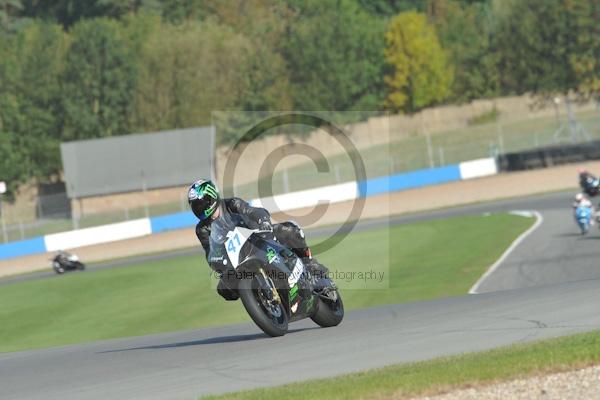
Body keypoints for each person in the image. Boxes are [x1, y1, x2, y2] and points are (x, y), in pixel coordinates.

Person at [188, 179, 328, 301]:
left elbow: (253, 211)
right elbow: (210, 253)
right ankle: (259, 298)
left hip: (259, 238)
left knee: (289, 230)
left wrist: (263, 222)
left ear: (212, 197)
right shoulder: (202, 229)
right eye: (196, 206)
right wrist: (217, 264)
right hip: (237, 259)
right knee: (223, 289)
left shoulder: (232, 204)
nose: (200, 208)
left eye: (202, 203)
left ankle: (310, 264)